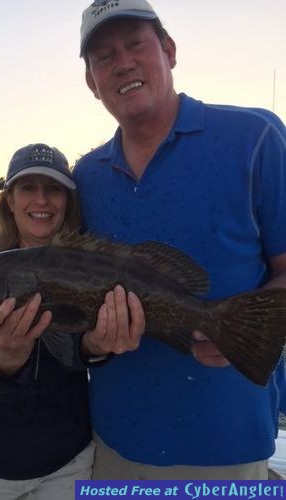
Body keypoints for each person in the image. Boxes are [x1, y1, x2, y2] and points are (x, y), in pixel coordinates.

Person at [72, 0, 286, 480]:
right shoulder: (84, 176)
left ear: (168, 50)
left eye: (135, 44)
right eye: (103, 56)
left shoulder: (256, 137)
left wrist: (244, 332)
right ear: (92, 82)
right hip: (114, 446)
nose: (122, 62)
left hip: (229, 447)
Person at [0, 143, 95, 500]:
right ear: (9, 200)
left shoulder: (87, 263)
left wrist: (99, 347)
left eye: (53, 188)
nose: (41, 200)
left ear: (67, 202)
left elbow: (80, 354)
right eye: (28, 187)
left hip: (68, 462)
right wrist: (7, 357)